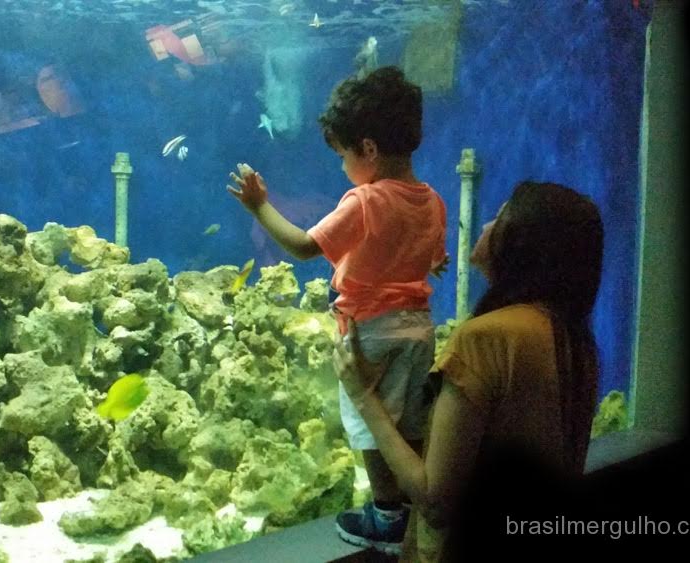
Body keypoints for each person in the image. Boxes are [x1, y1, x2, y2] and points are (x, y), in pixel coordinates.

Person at [228, 66, 448, 555]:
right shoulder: (431, 200)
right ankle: (407, 504)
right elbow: (435, 255)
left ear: (367, 149)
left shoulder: (366, 200)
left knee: (369, 421)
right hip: (419, 328)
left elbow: (306, 246)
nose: (343, 166)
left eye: (343, 155)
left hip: (370, 331)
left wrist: (260, 207)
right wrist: (431, 262)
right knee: (408, 420)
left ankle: (385, 515)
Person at [334, 181, 604, 561]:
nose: (485, 226)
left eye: (500, 218)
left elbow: (434, 501)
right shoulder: (571, 338)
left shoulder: (486, 339)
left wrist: (363, 395)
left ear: (523, 245)